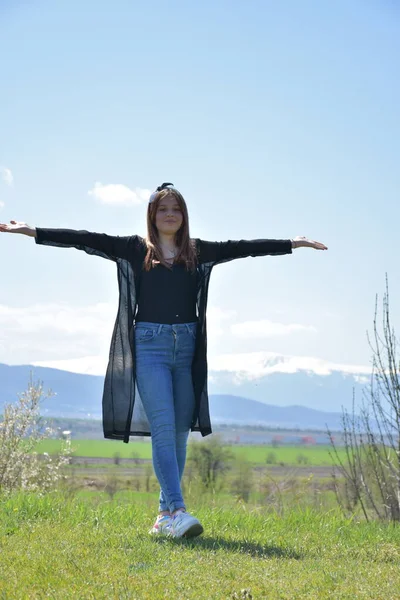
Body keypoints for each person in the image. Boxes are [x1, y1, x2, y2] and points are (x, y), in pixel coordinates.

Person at [0, 182, 328, 538]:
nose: (170, 214)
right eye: (163, 209)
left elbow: (244, 249)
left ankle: (163, 516)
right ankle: (178, 509)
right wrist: (32, 231)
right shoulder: (134, 248)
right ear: (152, 216)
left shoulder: (197, 252)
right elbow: (86, 239)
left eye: (176, 209)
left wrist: (291, 244)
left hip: (185, 349)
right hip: (150, 346)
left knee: (180, 433)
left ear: (183, 216)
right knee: (163, 426)